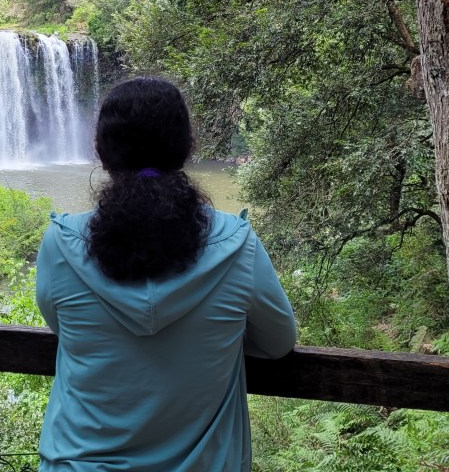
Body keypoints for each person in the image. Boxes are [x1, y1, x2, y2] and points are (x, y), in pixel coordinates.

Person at [35, 76, 297, 471]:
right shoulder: (237, 245)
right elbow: (278, 342)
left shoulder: (60, 245)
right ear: (186, 148)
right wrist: (214, 336)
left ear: (102, 152)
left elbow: (62, 327)